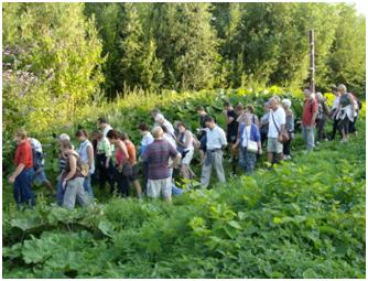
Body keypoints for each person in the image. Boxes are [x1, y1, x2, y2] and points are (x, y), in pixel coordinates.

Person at [142, 127, 181, 203]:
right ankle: (169, 212)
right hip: (166, 174)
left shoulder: (150, 147)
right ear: (162, 134)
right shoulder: (167, 144)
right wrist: (173, 165)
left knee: (153, 198)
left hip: (153, 175)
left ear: (153, 135)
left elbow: (143, 158)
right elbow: (178, 155)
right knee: (167, 196)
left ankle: (155, 214)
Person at [8, 129, 36, 207]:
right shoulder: (21, 144)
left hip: (25, 171)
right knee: (17, 190)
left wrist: (13, 176)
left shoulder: (26, 147)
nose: (14, 138)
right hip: (21, 171)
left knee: (26, 191)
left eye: (16, 136)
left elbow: (22, 164)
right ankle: (21, 207)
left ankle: (31, 208)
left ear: (20, 137)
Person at [60, 140, 89, 209]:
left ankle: (67, 215)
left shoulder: (71, 156)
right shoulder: (72, 154)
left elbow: (73, 171)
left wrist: (65, 179)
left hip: (75, 179)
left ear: (66, 147)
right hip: (78, 178)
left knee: (68, 199)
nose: (60, 148)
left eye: (61, 147)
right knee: (82, 198)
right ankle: (92, 210)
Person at [200, 116, 227, 188]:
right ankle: (203, 187)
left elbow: (224, 143)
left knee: (219, 170)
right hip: (208, 152)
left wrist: (219, 151)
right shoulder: (208, 130)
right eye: (206, 125)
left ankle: (223, 185)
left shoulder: (219, 131)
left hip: (217, 151)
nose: (207, 127)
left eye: (208, 125)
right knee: (205, 169)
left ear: (212, 122)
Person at [107, 129, 130, 197]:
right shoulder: (116, 144)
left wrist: (121, 165)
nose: (108, 141)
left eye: (109, 139)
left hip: (123, 166)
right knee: (118, 182)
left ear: (113, 137)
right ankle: (120, 196)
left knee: (123, 184)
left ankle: (124, 197)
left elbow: (126, 155)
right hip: (118, 165)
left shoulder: (120, 143)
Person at [121, 132, 142, 199]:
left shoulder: (127, 144)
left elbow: (131, 157)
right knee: (133, 181)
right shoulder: (130, 143)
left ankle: (139, 197)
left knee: (135, 181)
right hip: (132, 164)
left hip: (132, 165)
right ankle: (137, 196)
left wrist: (129, 164)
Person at [76, 130, 95, 199]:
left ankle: (91, 201)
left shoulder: (88, 145)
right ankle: (87, 201)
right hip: (82, 166)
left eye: (79, 137)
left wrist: (86, 170)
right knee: (84, 185)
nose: (78, 139)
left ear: (84, 136)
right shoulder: (82, 144)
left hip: (86, 167)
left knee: (87, 185)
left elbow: (90, 159)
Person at [267, 97, 286, 164]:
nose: (270, 105)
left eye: (271, 104)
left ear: (275, 103)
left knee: (279, 151)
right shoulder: (271, 111)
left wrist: (280, 135)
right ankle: (269, 165)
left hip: (277, 135)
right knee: (269, 150)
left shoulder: (281, 111)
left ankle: (283, 164)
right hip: (270, 134)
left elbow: (282, 124)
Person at [56, 133, 72, 206]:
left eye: (60, 141)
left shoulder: (69, 152)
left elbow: (67, 165)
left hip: (66, 173)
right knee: (61, 188)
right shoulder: (63, 151)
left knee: (60, 189)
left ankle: (60, 205)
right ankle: (61, 204)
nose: (59, 142)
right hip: (63, 171)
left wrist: (61, 174)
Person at [138, 123, 154, 192]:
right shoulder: (145, 137)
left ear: (143, 130)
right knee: (145, 175)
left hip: (148, 160)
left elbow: (149, 149)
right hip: (144, 159)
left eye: (139, 131)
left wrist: (142, 155)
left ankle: (148, 191)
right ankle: (146, 190)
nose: (139, 133)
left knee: (147, 175)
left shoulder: (149, 137)